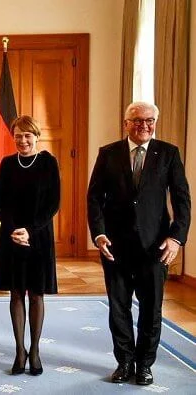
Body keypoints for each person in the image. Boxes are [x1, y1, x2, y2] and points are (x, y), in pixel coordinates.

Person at [87, 101, 191, 386]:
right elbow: (94, 198)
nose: (143, 125)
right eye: (136, 120)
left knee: (151, 309)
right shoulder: (108, 153)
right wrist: (99, 234)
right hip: (115, 247)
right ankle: (124, 361)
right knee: (118, 307)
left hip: (155, 248)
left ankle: (145, 364)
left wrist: (176, 238)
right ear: (125, 123)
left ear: (155, 122)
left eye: (149, 120)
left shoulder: (168, 153)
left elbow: (182, 200)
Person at [0, 115, 60, 376]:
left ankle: (35, 351)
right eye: (18, 135)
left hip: (39, 236)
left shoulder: (48, 163)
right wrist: (14, 230)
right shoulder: (7, 164)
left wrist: (30, 231)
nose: (22, 140)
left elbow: (53, 203)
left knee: (36, 294)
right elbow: (0, 202)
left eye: (27, 135)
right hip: (11, 237)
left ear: (36, 136)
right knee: (16, 293)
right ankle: (20, 351)